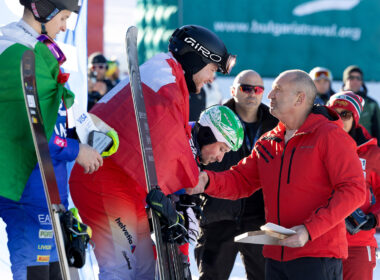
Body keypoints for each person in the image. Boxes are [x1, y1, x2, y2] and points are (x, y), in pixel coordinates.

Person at [69, 25, 236, 279]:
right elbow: (167, 144)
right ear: (196, 57)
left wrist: (175, 203)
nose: (212, 78)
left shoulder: (173, 79)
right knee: (122, 268)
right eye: (212, 69)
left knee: (146, 269)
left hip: (128, 188)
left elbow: (172, 140)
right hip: (105, 181)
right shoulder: (164, 78)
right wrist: (188, 184)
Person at [187, 69, 366, 280]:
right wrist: (206, 181)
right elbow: (241, 180)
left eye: (277, 90)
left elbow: (354, 191)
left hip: (317, 257)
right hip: (274, 259)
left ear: (300, 98)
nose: (269, 96)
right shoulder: (269, 140)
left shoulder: (330, 136)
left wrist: (309, 230)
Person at [0, 0, 103, 279]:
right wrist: (76, 150)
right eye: (63, 18)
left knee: (55, 272)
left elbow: (55, 113)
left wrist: (91, 131)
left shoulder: (34, 50)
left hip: (47, 189)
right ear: (42, 10)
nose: (65, 26)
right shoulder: (18, 53)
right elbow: (30, 129)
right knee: (35, 271)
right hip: (28, 186)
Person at [194, 70, 278, 280]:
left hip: (259, 216)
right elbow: (196, 160)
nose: (252, 93)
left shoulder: (275, 124)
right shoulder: (214, 118)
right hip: (218, 214)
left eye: (257, 89)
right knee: (211, 276)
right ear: (233, 90)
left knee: (263, 276)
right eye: (245, 88)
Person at [327, 91, 380, 280]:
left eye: (345, 114)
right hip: (320, 241)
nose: (339, 119)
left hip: (357, 242)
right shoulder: (315, 147)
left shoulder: (372, 154)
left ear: (355, 118)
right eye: (334, 114)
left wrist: (374, 218)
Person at [342, 65, 380, 145]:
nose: (355, 81)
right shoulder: (336, 102)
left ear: (362, 81)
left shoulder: (371, 104)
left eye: (358, 78)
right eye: (351, 78)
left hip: (366, 149)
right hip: (342, 147)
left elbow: (378, 131)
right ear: (345, 80)